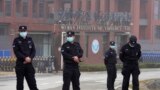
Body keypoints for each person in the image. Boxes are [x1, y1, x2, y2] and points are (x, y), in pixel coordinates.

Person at [12, 26, 38, 90]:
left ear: (26, 31)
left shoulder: (30, 39)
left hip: (29, 65)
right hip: (20, 64)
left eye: (24, 31)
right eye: (21, 31)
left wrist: (30, 58)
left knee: (33, 84)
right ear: (19, 32)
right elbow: (16, 52)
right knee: (20, 85)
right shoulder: (16, 40)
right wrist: (25, 58)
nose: (23, 32)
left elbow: (33, 50)